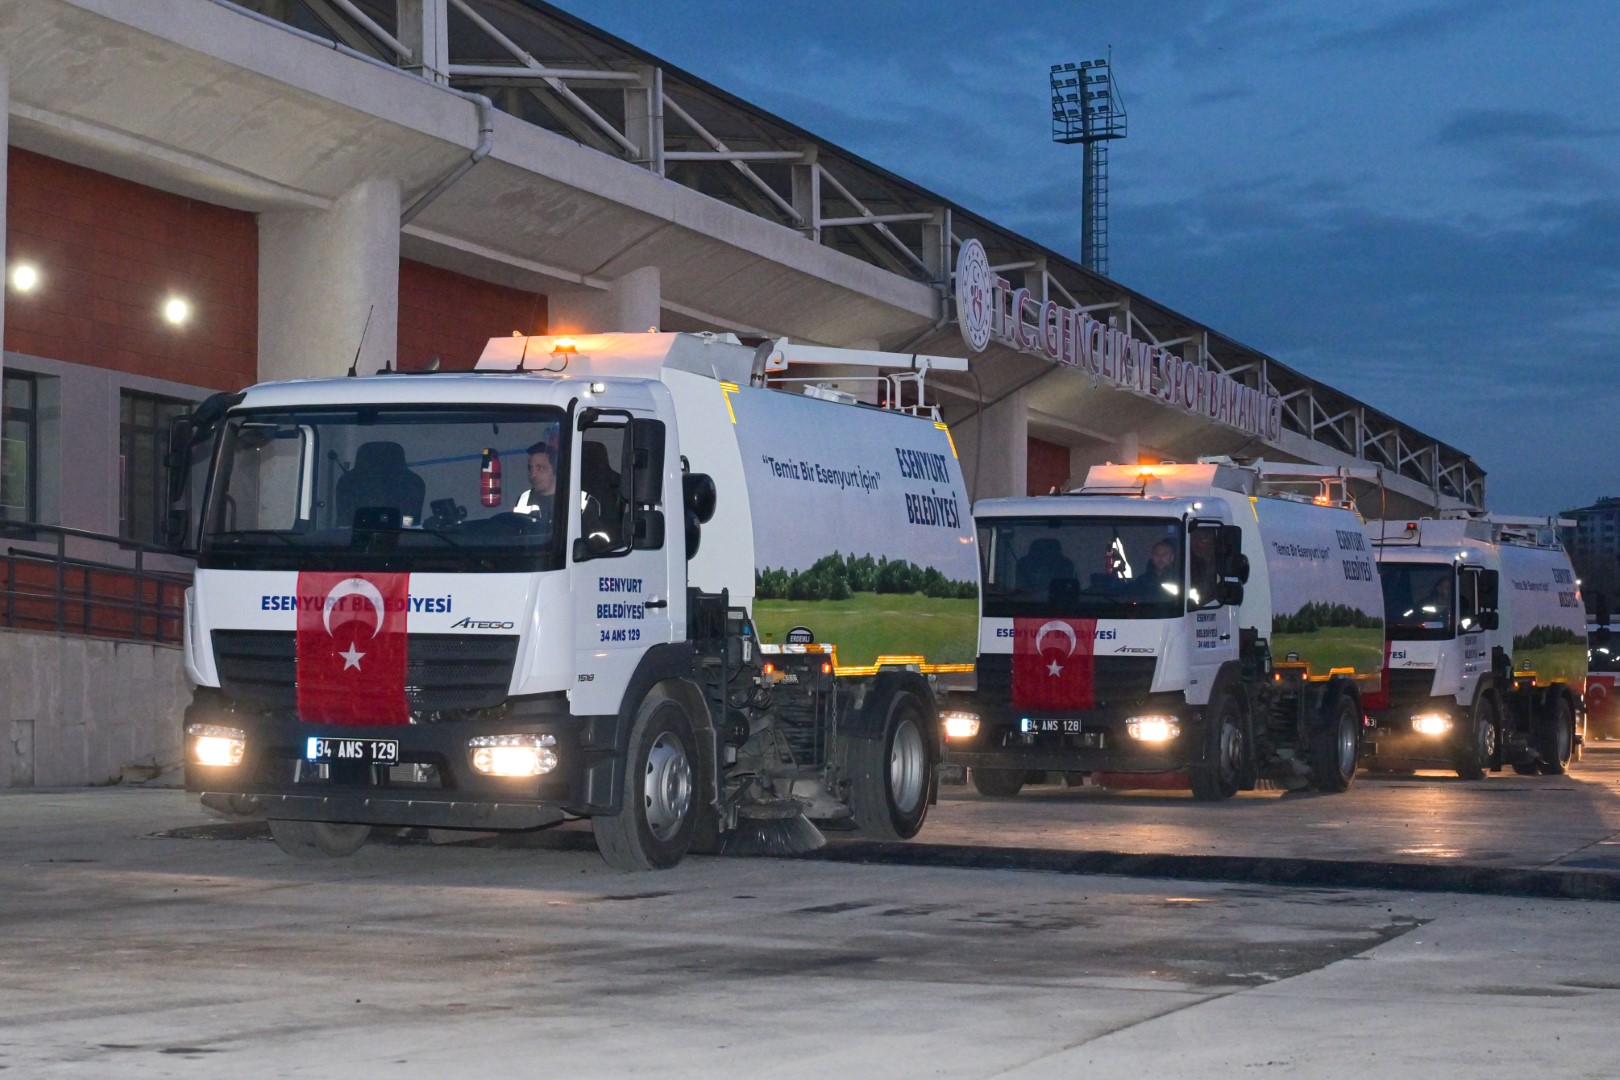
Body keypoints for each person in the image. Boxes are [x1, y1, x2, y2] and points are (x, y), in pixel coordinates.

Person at [514, 440, 557, 533]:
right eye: (530, 469)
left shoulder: (576, 499)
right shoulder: (523, 500)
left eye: (540, 468)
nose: (533, 475)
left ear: (554, 469)